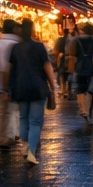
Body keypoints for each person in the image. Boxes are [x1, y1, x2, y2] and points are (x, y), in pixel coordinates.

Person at [8, 18, 58, 164]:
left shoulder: (15, 48)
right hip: (38, 86)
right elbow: (47, 67)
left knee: (23, 119)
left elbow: (10, 69)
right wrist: (53, 86)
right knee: (35, 121)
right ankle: (31, 151)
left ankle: (26, 145)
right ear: (32, 30)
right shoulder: (39, 47)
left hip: (20, 86)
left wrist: (8, 87)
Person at [0, 18, 21, 146]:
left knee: (2, 111)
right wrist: (6, 85)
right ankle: (9, 135)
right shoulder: (15, 44)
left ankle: (3, 135)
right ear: (14, 29)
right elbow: (8, 67)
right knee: (11, 110)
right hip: (10, 81)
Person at [73, 22, 93, 125]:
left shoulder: (77, 40)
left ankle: (83, 109)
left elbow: (73, 53)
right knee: (91, 90)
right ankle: (89, 111)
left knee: (80, 88)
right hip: (91, 66)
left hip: (80, 65)